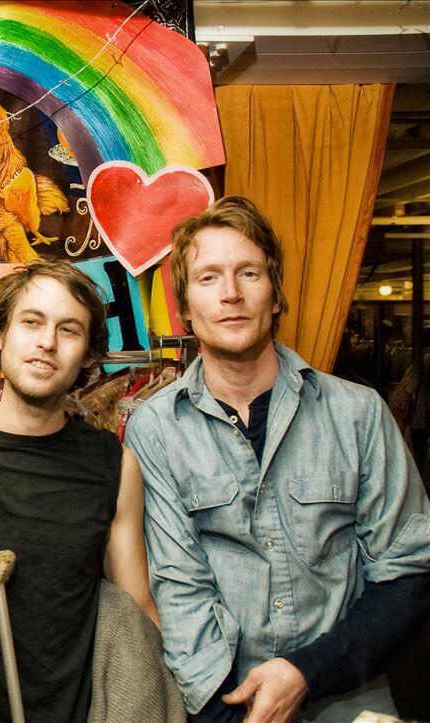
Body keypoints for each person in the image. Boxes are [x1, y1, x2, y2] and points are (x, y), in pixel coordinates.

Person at [125, 196, 430, 723]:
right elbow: (179, 591)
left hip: (346, 693)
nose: (231, 293)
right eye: (208, 278)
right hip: (222, 702)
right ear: (186, 309)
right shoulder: (155, 429)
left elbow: (408, 572)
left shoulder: (357, 414)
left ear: (275, 296)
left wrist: (305, 673)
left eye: (249, 272)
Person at [0, 261, 159, 722]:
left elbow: (136, 610)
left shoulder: (114, 465)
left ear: (88, 356)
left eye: (69, 330)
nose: (47, 342)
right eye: (31, 322)